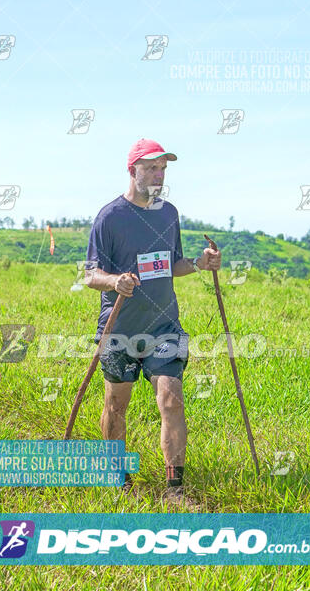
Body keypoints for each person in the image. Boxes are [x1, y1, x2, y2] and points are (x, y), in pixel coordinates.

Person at [85, 138, 221, 505]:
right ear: (133, 171)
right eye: (151, 168)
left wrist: (198, 264)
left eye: (163, 168)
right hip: (119, 329)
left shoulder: (169, 213)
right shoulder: (109, 217)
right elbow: (89, 274)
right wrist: (114, 281)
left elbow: (171, 263)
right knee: (117, 404)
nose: (158, 175)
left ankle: (175, 490)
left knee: (172, 401)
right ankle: (118, 478)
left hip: (164, 327)